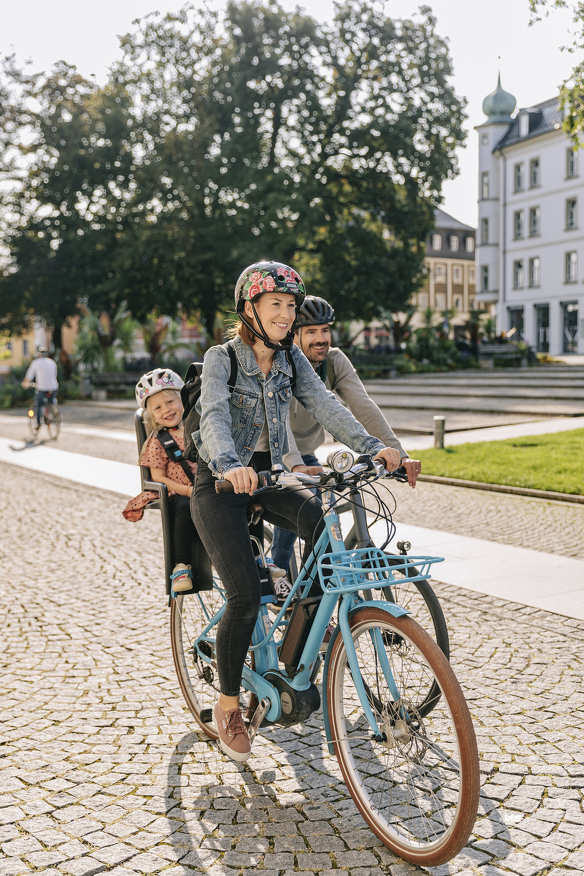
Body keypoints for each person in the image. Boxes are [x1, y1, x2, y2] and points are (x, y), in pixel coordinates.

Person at [190, 260, 403, 763]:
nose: (287, 316)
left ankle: (298, 643)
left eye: (291, 305)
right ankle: (227, 706)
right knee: (244, 594)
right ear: (250, 309)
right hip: (221, 481)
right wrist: (227, 465)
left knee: (320, 526)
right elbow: (215, 415)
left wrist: (376, 447)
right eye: (276, 305)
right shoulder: (222, 358)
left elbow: (327, 404)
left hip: (274, 473)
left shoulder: (292, 360)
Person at [270, 295, 422, 573]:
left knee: (323, 516)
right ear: (293, 335)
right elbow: (278, 423)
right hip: (270, 450)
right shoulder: (279, 362)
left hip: (305, 453)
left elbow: (363, 407)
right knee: (299, 504)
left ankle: (311, 593)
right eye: (312, 331)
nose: (321, 338)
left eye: (325, 330)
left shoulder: (335, 361)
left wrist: (397, 455)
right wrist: (295, 466)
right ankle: (277, 573)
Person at [123, 368, 211, 594]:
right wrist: (186, 490)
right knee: (182, 509)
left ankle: (253, 555)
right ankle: (181, 567)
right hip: (180, 493)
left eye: (170, 402)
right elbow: (158, 477)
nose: (166, 410)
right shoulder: (157, 441)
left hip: (209, 487)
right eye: (158, 408)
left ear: (182, 400)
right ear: (151, 415)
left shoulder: (202, 430)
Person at [22, 347, 59, 426]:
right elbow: (55, 375)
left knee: (39, 404)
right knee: (51, 399)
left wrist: (25, 384)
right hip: (53, 387)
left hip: (42, 387)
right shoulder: (52, 362)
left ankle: (38, 423)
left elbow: (29, 376)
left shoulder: (36, 362)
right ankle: (54, 409)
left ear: (39, 355)